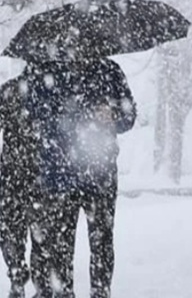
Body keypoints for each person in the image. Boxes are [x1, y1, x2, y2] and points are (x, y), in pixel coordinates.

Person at [25, 57, 135, 298]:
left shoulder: (110, 71)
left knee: (102, 241)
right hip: (61, 174)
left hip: (101, 174)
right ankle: (64, 293)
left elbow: (129, 116)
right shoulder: (48, 71)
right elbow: (33, 113)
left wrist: (113, 114)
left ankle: (100, 293)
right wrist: (62, 115)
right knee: (60, 245)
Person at [0, 67, 39, 298]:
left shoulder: (11, 90)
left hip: (17, 175)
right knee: (37, 233)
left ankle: (19, 276)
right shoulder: (48, 91)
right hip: (37, 175)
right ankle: (29, 279)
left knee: (12, 230)